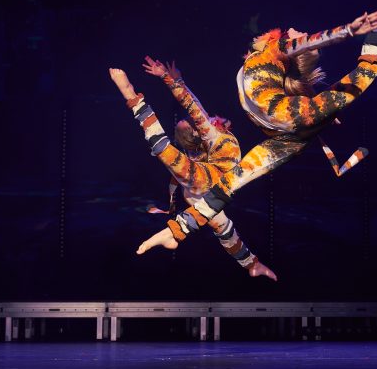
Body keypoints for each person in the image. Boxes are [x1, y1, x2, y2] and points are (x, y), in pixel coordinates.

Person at [136, 0, 377, 254]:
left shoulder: (276, 52)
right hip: (284, 133)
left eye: (296, 33)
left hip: (287, 118)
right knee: (230, 183)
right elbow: (302, 52)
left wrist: (347, 30)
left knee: (364, 74)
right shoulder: (266, 59)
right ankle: (177, 231)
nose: (293, 29)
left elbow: (303, 44)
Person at [109, 59, 277, 280]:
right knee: (163, 149)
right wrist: (168, 79)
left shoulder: (210, 139)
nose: (204, 119)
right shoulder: (213, 134)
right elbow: (192, 105)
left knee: (225, 229)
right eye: (195, 123)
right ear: (198, 132)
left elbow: (195, 106)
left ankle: (251, 264)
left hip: (204, 192)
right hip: (208, 182)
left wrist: (174, 80)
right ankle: (131, 95)